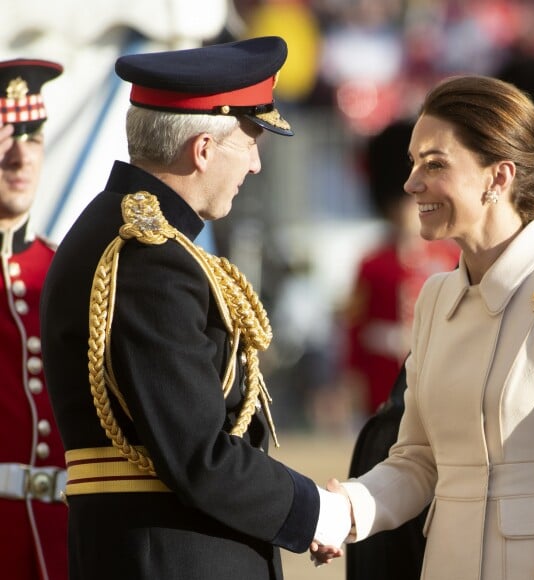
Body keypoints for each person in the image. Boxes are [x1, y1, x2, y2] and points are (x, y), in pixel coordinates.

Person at [39, 36, 350, 580]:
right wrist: (317, 513)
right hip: (172, 555)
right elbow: (199, 456)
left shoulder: (125, 237)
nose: (255, 164)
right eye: (251, 141)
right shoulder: (150, 260)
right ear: (203, 149)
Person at [311, 74, 534, 580]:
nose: (412, 183)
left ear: (497, 178)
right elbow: (417, 461)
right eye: (413, 164)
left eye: (434, 164)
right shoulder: (435, 299)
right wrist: (346, 510)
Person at [0, 59, 67, 580]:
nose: (19, 155)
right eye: (3, 135)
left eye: (33, 136)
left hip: (65, 539)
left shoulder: (70, 270)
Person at [343, 119, 459, 418]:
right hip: (383, 387)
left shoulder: (449, 257)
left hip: (439, 384)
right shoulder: (372, 264)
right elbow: (356, 331)